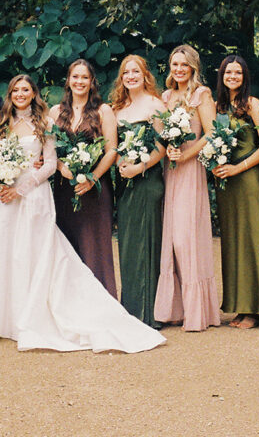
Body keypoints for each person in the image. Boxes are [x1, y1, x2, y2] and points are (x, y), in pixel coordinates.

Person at [0, 75, 164, 352]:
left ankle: (34, 315)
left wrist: (22, 188)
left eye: (26, 90)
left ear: (34, 93)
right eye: (16, 90)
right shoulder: (3, 122)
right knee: (5, 254)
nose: (21, 94)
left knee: (33, 254)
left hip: (32, 197)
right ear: (10, 94)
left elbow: (51, 162)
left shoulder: (45, 122)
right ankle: (2, 318)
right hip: (4, 200)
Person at [153, 44, 220, 331]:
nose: (178, 69)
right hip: (171, 169)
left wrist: (186, 154)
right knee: (170, 237)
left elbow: (212, 133)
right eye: (174, 64)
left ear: (193, 67)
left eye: (184, 65)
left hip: (191, 169)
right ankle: (174, 308)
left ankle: (198, 311)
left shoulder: (201, 94)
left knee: (186, 237)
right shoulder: (165, 96)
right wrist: (169, 149)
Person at [211, 54, 259, 330]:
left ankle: (255, 309)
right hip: (226, 183)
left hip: (248, 179)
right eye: (228, 72)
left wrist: (239, 168)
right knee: (232, 241)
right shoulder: (218, 106)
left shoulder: (252, 104)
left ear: (245, 77)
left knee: (250, 239)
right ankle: (237, 304)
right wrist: (216, 164)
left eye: (237, 72)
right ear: (221, 76)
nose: (232, 76)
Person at [50, 59, 118, 296]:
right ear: (68, 81)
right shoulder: (55, 112)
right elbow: (48, 151)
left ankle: (101, 304)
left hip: (95, 190)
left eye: (84, 77)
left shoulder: (103, 110)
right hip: (63, 190)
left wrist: (93, 178)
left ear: (92, 82)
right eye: (75, 77)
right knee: (66, 246)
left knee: (95, 247)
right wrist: (61, 167)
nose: (79, 81)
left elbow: (111, 150)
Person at [111, 55, 166, 328]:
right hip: (124, 181)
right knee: (129, 244)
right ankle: (130, 306)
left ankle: (147, 311)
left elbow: (162, 147)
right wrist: (121, 163)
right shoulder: (117, 108)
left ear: (145, 75)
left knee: (146, 242)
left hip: (147, 180)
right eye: (125, 72)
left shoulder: (156, 105)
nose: (130, 76)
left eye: (135, 71)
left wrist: (139, 167)